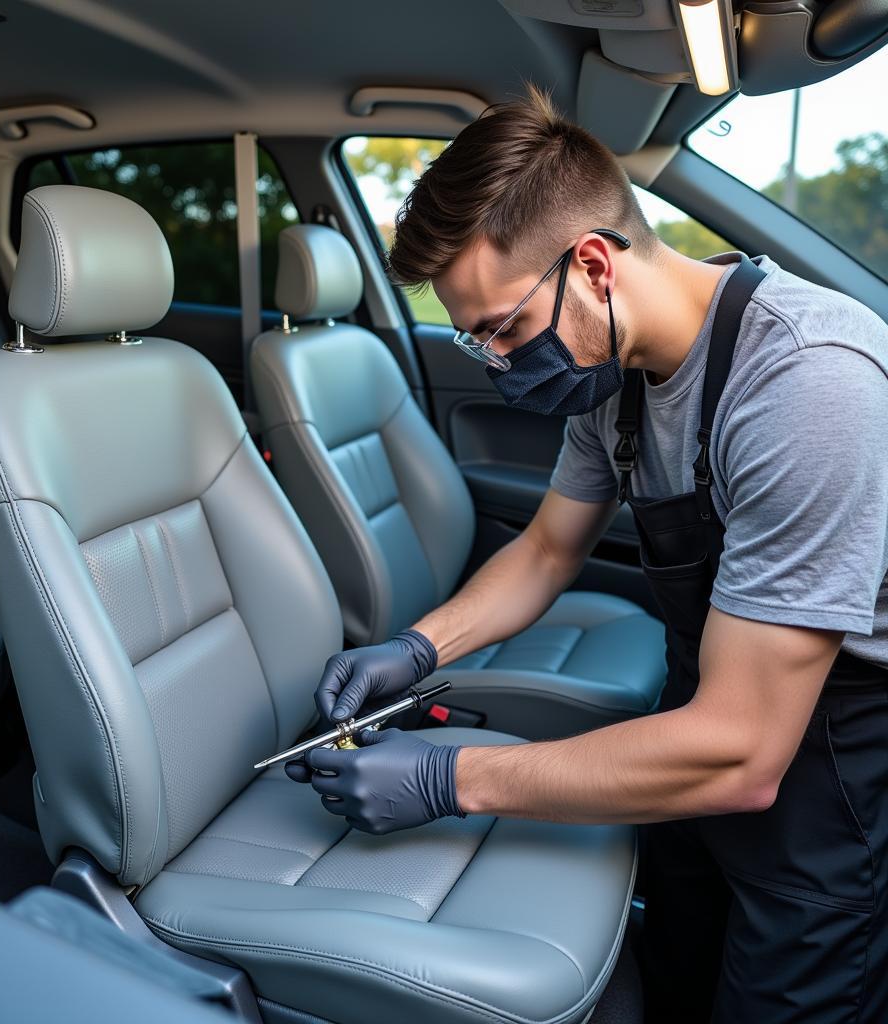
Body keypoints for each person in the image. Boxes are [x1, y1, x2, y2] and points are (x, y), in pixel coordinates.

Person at [285, 86, 888, 1022]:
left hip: (827, 763)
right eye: (475, 338)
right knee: (677, 970)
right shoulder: (614, 375)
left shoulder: (808, 388)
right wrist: (415, 649)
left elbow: (743, 754)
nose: (497, 361)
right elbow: (546, 550)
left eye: (504, 329)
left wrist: (453, 779)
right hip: (703, 706)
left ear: (595, 264)